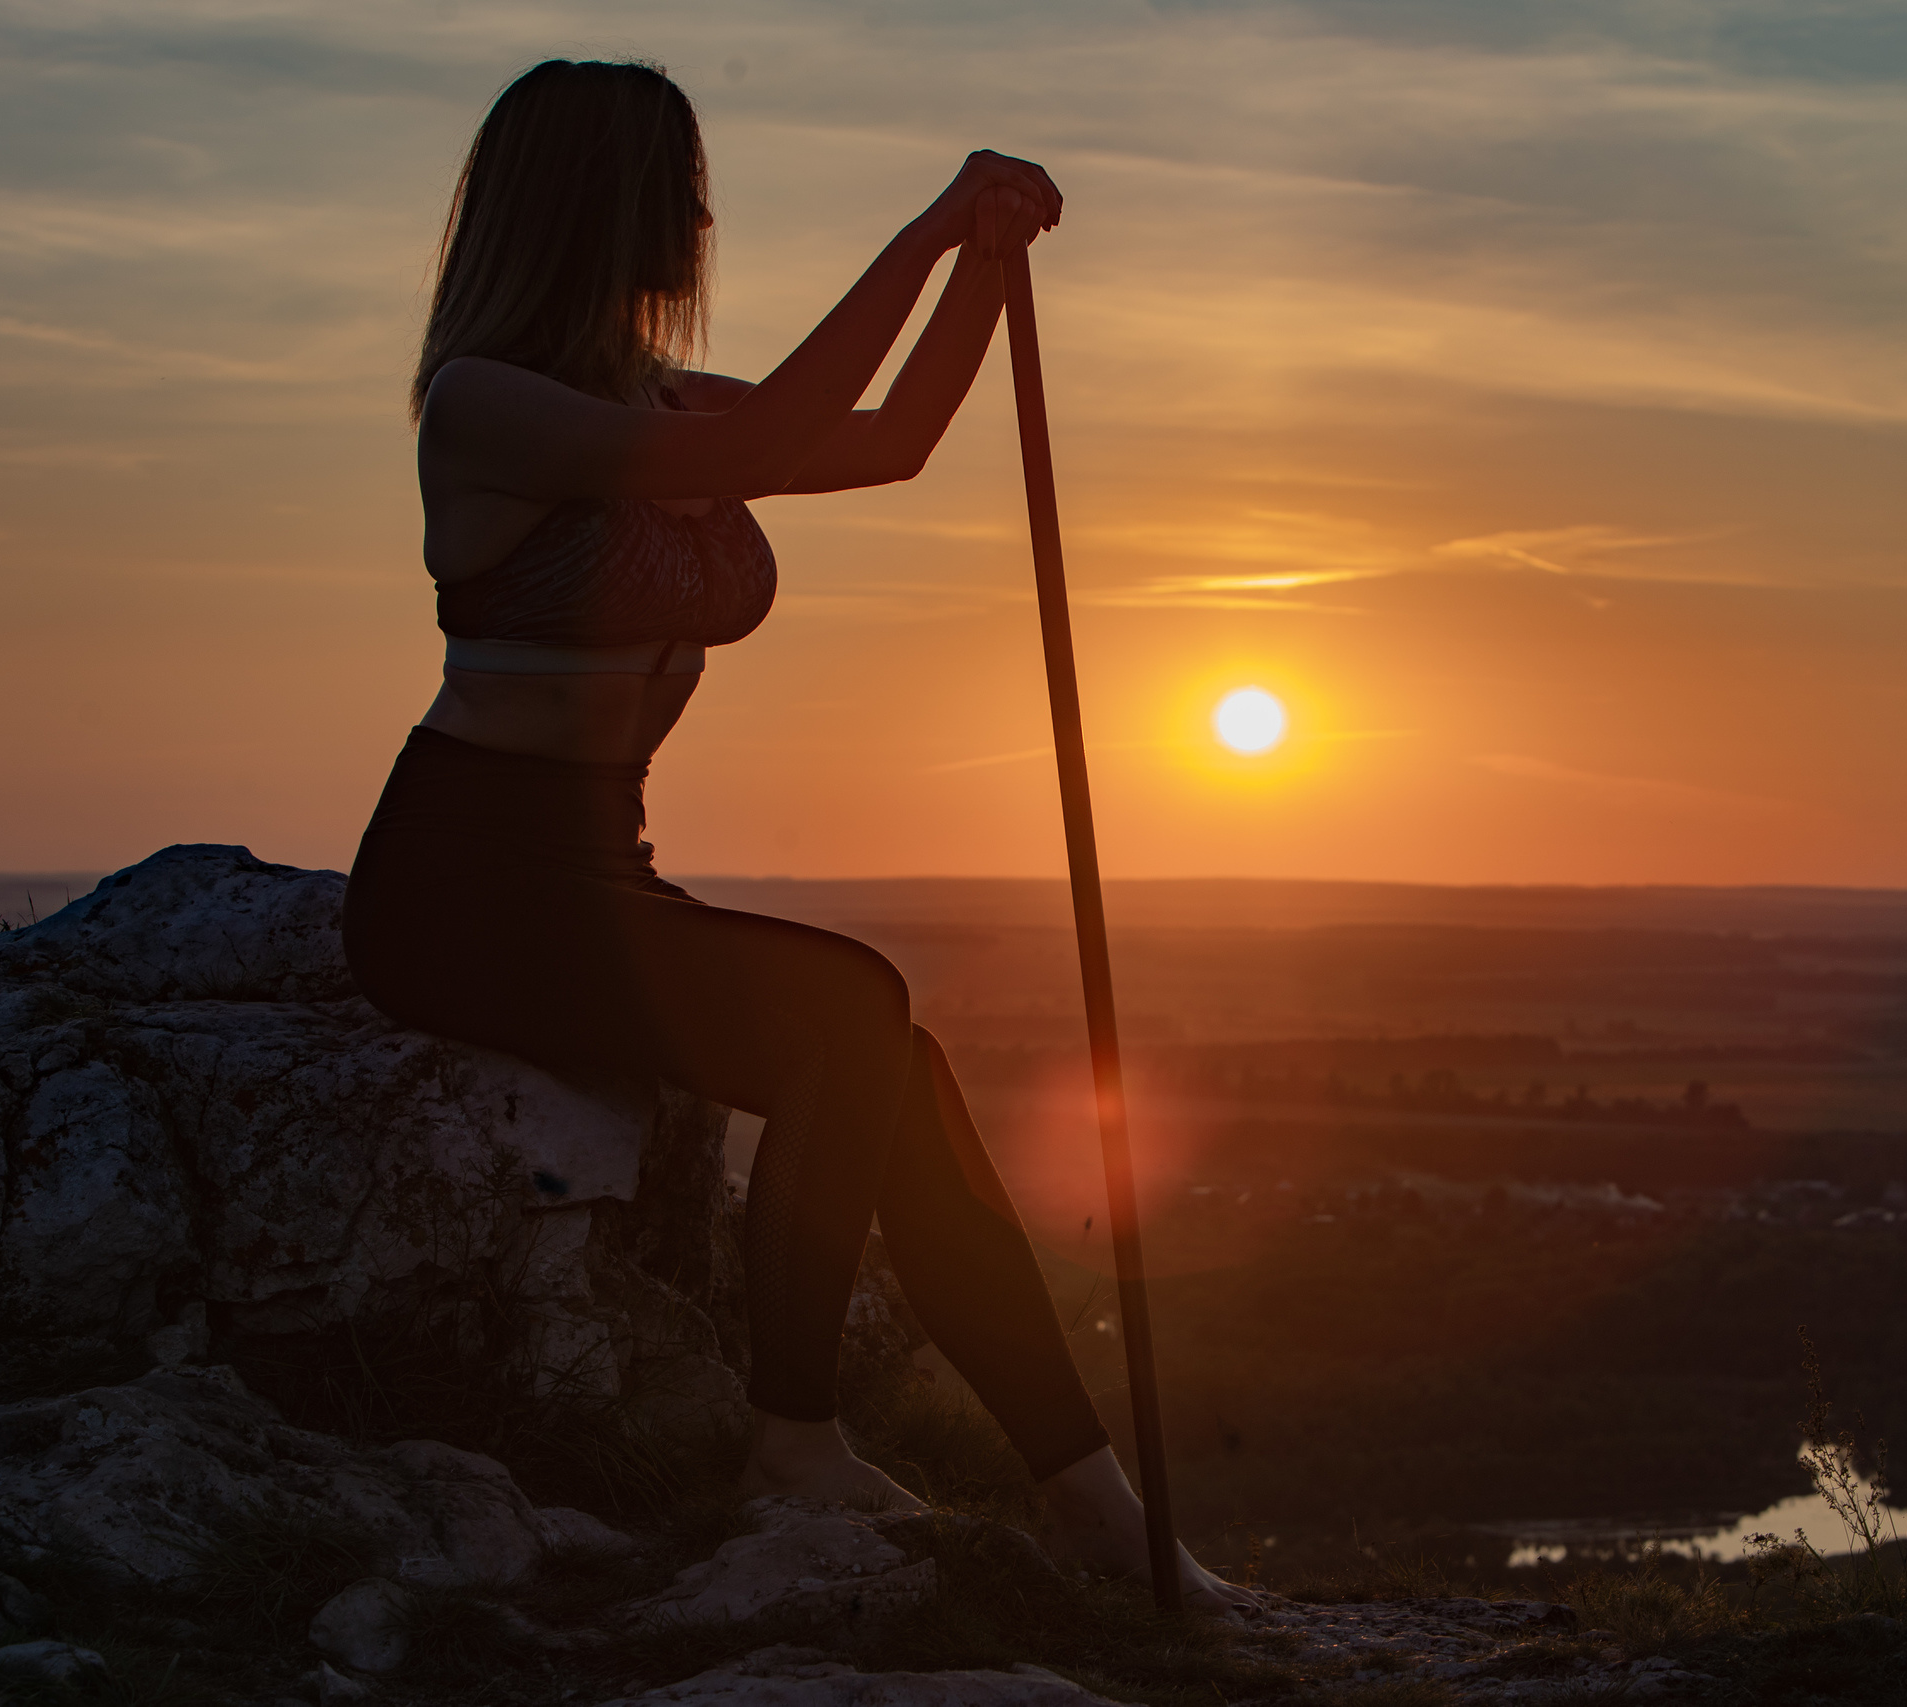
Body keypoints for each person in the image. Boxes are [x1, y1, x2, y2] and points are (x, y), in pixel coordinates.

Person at [342, 57, 1256, 1614]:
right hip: (466, 890)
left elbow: (889, 435)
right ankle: (793, 1439)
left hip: (592, 877)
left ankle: (1091, 1496)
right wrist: (926, 228)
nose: (699, 223)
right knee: (855, 1005)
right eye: (673, 194)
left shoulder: (648, 397)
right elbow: (778, 440)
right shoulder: (485, 405)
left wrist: (983, 262)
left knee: (892, 1065)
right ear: (592, 207)